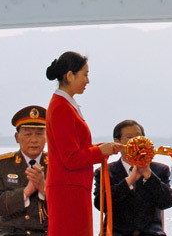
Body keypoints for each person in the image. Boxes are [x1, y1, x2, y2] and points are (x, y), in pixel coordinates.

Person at [45, 51, 122, 236]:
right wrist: (99, 152)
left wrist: (103, 148)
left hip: (73, 187)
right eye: (85, 75)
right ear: (70, 75)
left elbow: (77, 148)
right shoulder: (61, 107)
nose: (87, 81)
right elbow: (70, 158)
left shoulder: (66, 104)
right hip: (68, 189)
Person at [93, 119, 172, 236]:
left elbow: (168, 201)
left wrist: (149, 175)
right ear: (117, 142)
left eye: (139, 137)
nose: (135, 141)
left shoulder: (160, 170)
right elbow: (100, 204)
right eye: (129, 137)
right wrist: (128, 182)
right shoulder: (105, 172)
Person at [0, 105, 49, 236]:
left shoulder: (56, 165)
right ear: (17, 137)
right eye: (28, 134)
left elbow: (68, 207)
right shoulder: (2, 165)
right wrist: (26, 191)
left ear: (47, 136)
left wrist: (44, 188)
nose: (34, 140)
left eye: (39, 133)